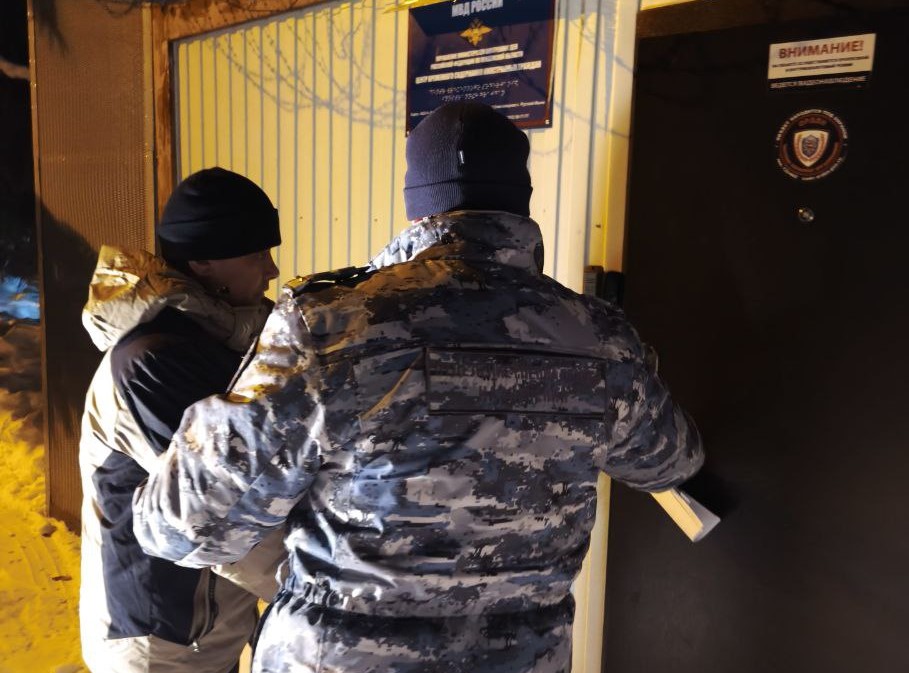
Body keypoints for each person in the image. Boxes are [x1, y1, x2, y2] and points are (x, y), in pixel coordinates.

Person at [133, 103, 704, 673]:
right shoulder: (602, 339)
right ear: (520, 201)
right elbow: (672, 461)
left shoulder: (331, 326)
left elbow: (182, 527)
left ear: (417, 205)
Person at [79, 167, 283, 673]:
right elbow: (219, 508)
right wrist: (329, 588)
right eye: (257, 255)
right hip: (160, 642)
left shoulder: (225, 339)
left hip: (210, 628)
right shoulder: (152, 363)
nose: (272, 270)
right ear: (202, 263)